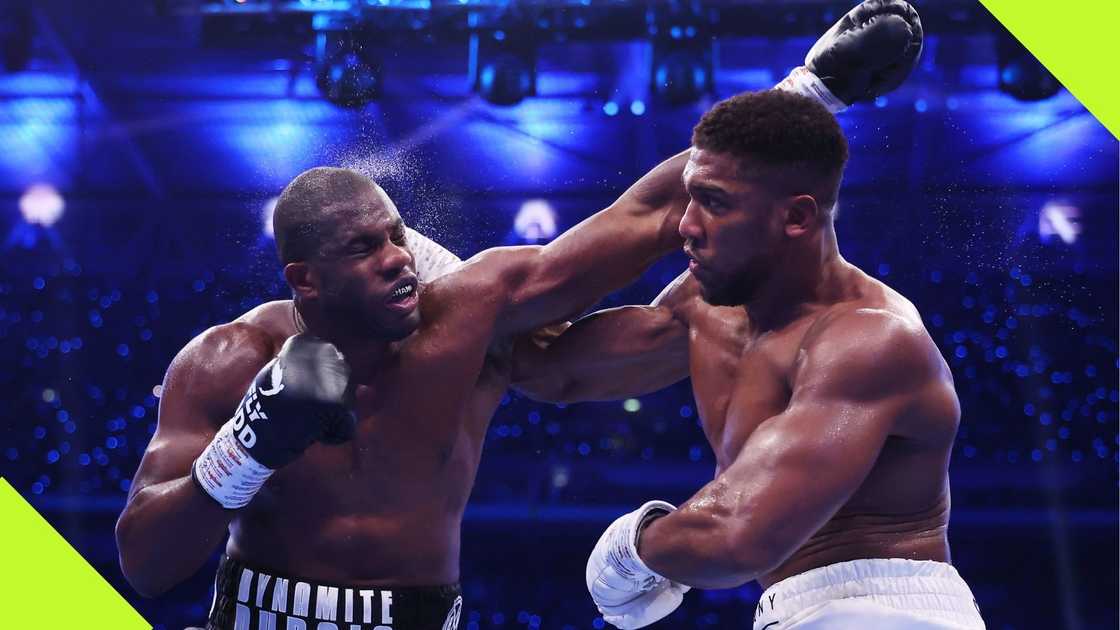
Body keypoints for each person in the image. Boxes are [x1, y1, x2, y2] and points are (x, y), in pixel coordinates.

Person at [114, 2, 922, 628]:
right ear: (306, 281)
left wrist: (807, 94)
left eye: (399, 237)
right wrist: (245, 449)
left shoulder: (465, 319)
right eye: (367, 250)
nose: (398, 256)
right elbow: (146, 561)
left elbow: (638, 220)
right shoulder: (227, 359)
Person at [514, 20, 985, 630]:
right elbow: (547, 368)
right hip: (787, 606)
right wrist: (425, 278)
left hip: (886, 607)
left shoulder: (870, 339)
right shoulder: (703, 310)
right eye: (689, 198)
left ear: (795, 218)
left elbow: (735, 538)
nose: (683, 225)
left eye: (713, 202)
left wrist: (639, 547)